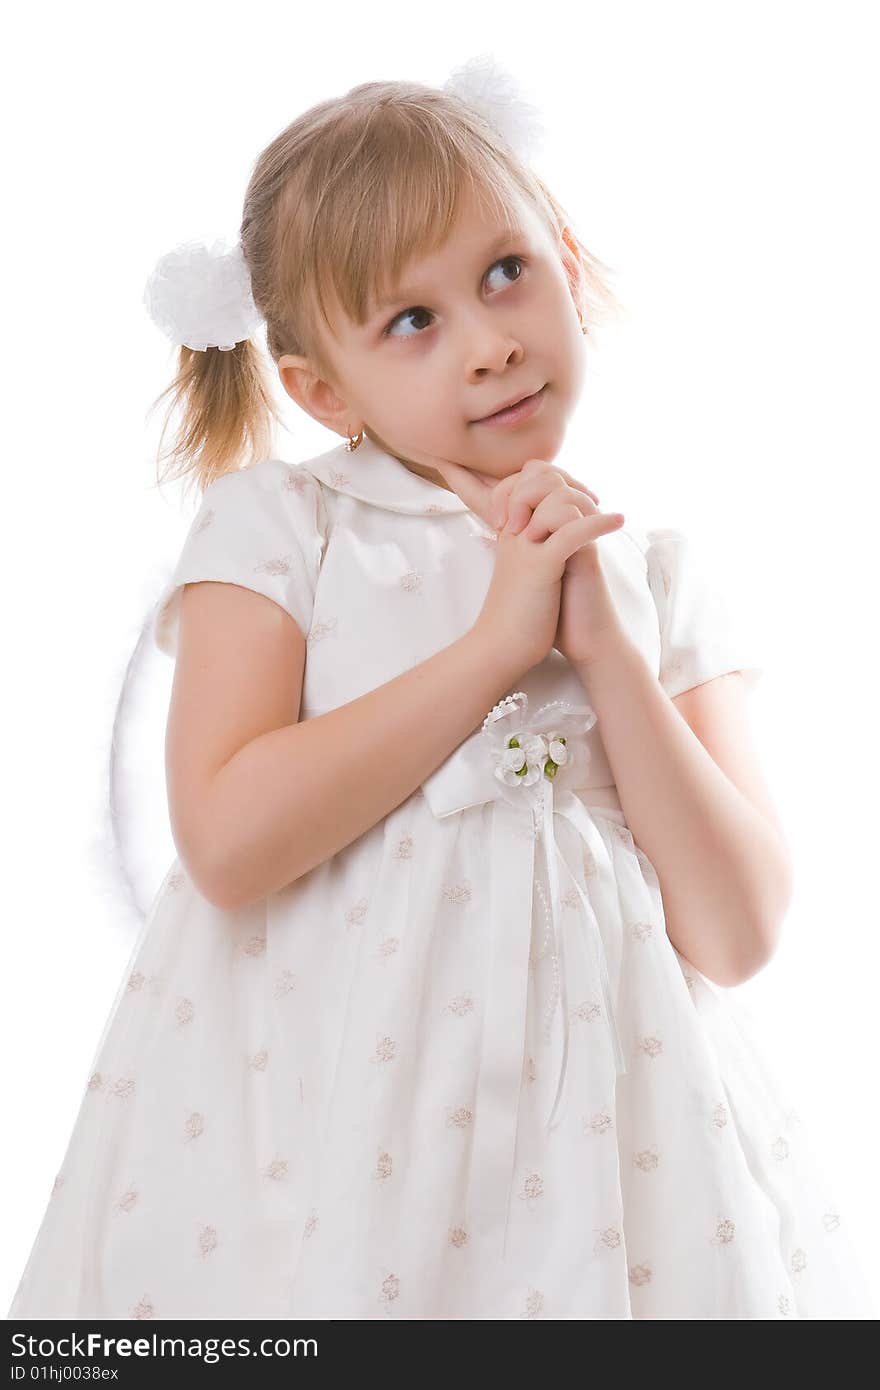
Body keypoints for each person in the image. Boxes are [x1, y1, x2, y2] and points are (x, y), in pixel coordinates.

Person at [7, 61, 874, 1321]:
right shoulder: (283, 528)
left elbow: (736, 933)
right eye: (410, 321)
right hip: (330, 1134)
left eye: (504, 272)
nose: (491, 342)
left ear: (565, 259)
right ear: (319, 389)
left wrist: (607, 651)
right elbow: (231, 840)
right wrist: (492, 646)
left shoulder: (650, 571)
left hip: (612, 1152)